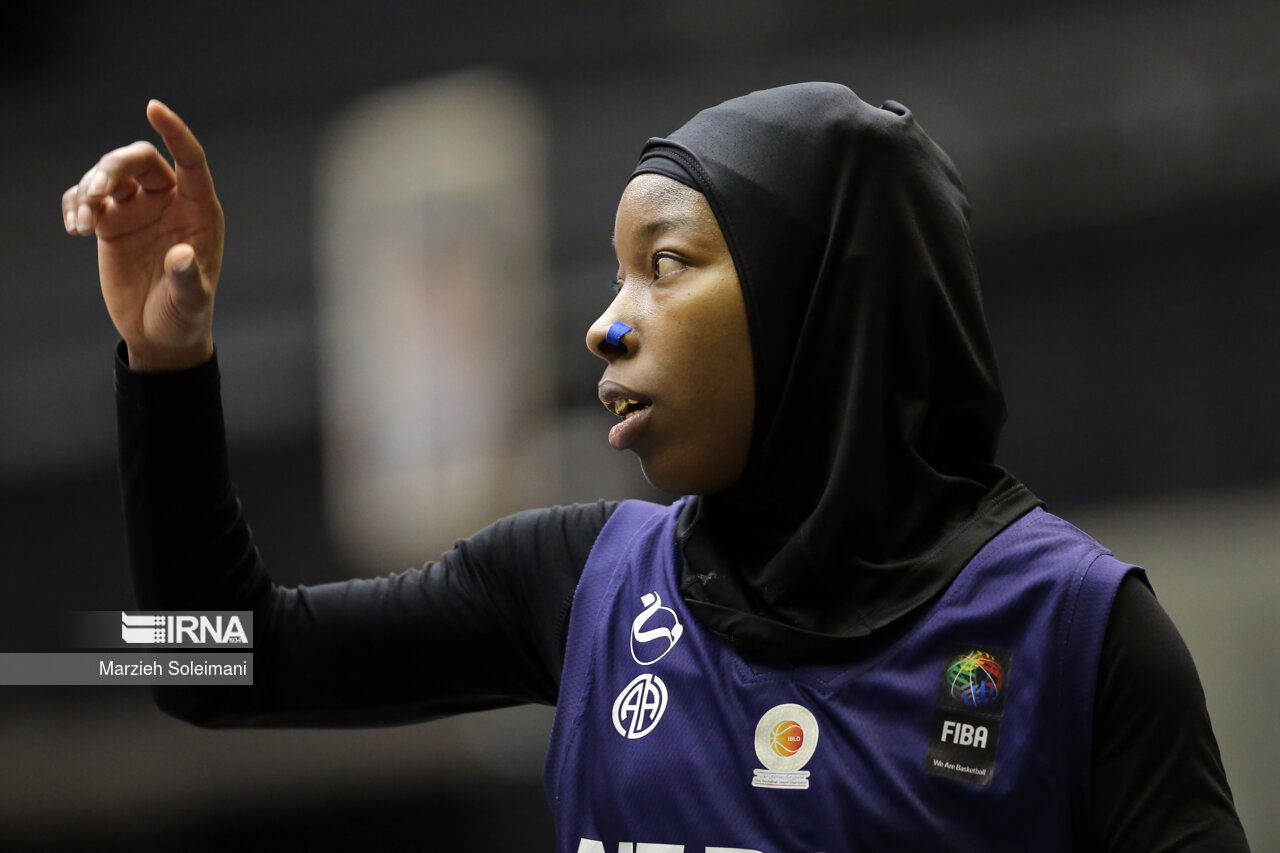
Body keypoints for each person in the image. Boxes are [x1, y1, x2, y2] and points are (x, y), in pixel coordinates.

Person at [64, 84, 1249, 851]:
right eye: (614, 271)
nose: (605, 324)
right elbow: (206, 663)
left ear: (816, 304)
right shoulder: (579, 579)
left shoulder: (1078, 633)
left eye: (665, 263)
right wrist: (167, 364)